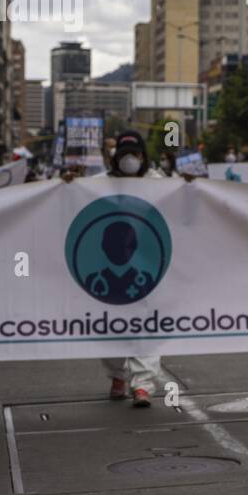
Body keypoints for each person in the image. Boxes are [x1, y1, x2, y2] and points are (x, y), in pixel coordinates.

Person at [63, 130, 162, 407]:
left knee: (148, 323)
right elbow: (74, 196)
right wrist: (69, 183)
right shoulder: (100, 184)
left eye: (136, 154)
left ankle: (142, 385)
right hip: (107, 265)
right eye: (124, 155)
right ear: (115, 158)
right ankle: (117, 376)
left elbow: (184, 202)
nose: (130, 160)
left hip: (149, 267)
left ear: (144, 157)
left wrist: (190, 185)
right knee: (111, 325)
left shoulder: (159, 183)